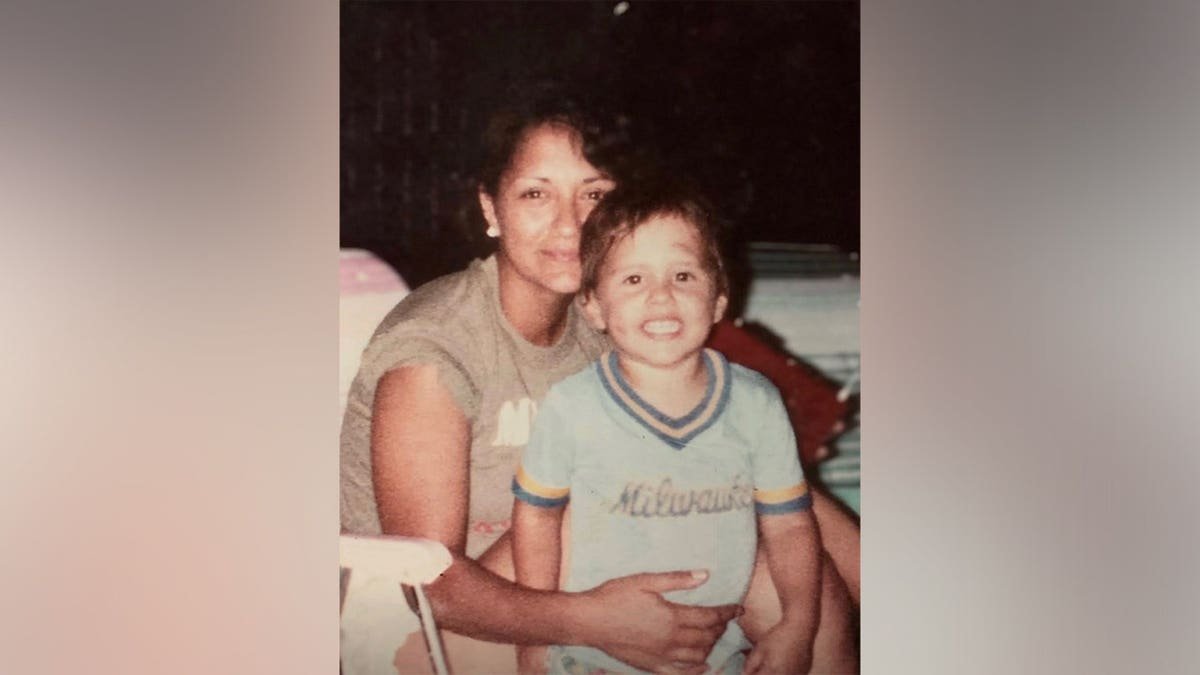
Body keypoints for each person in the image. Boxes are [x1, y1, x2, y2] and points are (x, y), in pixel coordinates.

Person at [340, 88, 856, 674]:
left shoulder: (607, 319)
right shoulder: (435, 350)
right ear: (491, 208)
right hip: (428, 625)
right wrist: (598, 619)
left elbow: (751, 456)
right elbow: (430, 586)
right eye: (536, 194)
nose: (569, 223)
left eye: (594, 194)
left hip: (582, 566)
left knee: (799, 579)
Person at [512, 182, 822, 675]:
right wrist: (535, 641)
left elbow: (789, 525)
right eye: (633, 279)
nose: (661, 295)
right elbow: (535, 520)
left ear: (718, 299)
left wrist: (799, 627)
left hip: (718, 655)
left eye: (682, 274)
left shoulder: (756, 401)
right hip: (595, 657)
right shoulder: (571, 406)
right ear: (593, 306)